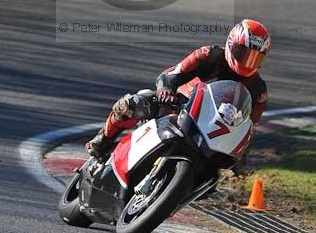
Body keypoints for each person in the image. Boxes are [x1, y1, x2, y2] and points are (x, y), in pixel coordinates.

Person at [86, 19, 271, 159]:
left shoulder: (258, 90)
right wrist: (166, 90)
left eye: (255, 58)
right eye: (243, 53)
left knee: (218, 171)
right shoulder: (209, 55)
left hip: (210, 132)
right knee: (128, 106)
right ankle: (104, 139)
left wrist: (239, 154)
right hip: (178, 107)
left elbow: (248, 128)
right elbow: (172, 74)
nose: (248, 62)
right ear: (231, 44)